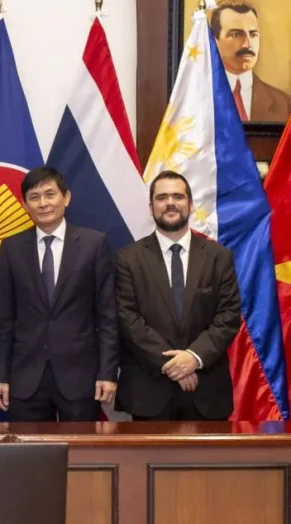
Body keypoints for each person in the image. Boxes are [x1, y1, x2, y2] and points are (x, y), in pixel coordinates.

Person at [0, 166, 118, 422]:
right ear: (25, 205)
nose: (43, 203)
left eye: (50, 194)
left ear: (66, 197)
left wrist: (107, 372)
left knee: (83, 458)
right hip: (26, 378)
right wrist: (1, 376)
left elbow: (108, 317)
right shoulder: (11, 248)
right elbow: (4, 320)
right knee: (30, 459)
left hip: (80, 376)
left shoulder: (94, 244)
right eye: (34, 197)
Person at [114, 171, 241, 421]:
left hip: (206, 392)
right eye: (162, 197)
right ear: (151, 207)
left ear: (190, 204)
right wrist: (176, 367)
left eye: (177, 196)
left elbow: (228, 316)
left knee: (205, 462)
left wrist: (193, 358)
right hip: (149, 392)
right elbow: (128, 319)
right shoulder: (127, 258)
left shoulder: (219, 257)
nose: (170, 203)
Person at [211, 2, 291, 122]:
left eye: (253, 34)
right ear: (215, 41)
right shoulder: (197, 98)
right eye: (236, 34)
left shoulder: (284, 103)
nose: (247, 44)